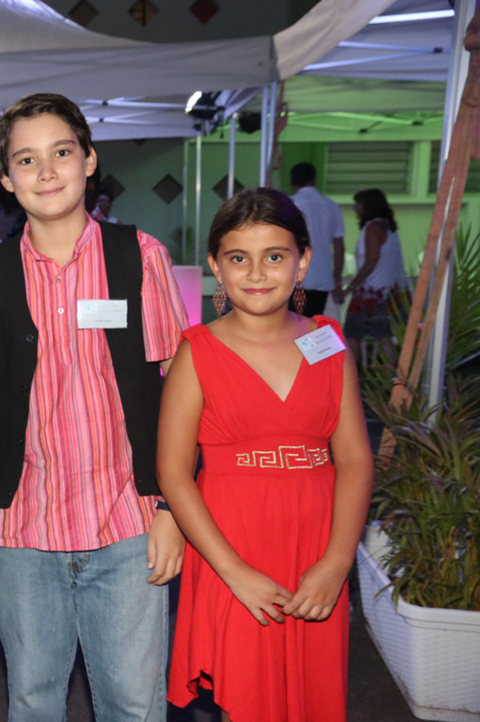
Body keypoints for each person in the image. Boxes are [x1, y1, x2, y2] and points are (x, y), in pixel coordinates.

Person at [0, 93, 188, 721]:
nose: (47, 171)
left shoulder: (140, 257)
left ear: (89, 159)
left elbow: (178, 388)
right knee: (33, 699)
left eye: (62, 152)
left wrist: (173, 507)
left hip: (128, 520)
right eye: (26, 160)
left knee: (132, 705)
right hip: (21, 528)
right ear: (7, 180)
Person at [159, 189, 374, 722]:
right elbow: (173, 472)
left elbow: (354, 459)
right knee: (246, 697)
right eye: (238, 258)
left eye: (274, 257)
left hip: (316, 549)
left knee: (312, 696)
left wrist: (337, 563)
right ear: (215, 266)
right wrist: (234, 572)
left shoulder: (329, 341)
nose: (257, 273)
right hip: (231, 549)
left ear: (303, 261)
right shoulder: (197, 351)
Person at [345, 188, 408, 365]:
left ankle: (352, 378)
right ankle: (390, 382)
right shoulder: (386, 226)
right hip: (386, 292)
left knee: (353, 335)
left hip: (372, 293)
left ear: (367, 206)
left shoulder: (374, 227)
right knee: (383, 337)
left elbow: (371, 260)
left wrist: (351, 287)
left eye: (357, 204)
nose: (355, 209)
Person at [290, 162, 345, 317]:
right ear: (314, 179)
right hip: (323, 277)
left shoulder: (291, 205)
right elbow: (339, 247)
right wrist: (337, 278)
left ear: (292, 182)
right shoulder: (332, 206)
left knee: (292, 327)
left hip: (295, 276)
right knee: (312, 327)